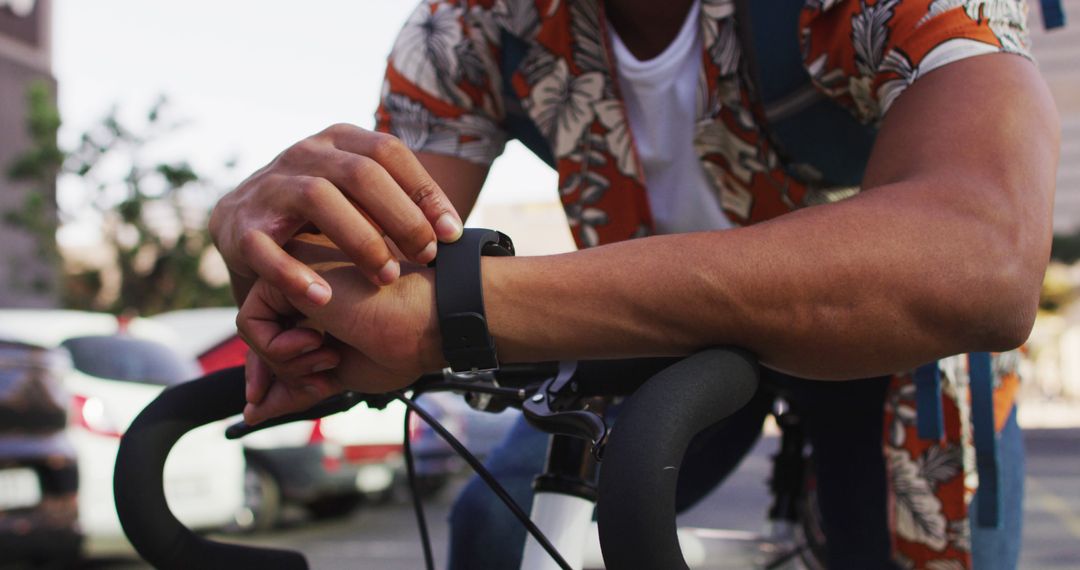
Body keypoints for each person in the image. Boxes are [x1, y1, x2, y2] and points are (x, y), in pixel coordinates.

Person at [209, 0, 1059, 568]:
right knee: (500, 529)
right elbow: (371, 274)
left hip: (881, 333)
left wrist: (458, 313)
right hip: (644, 337)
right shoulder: (469, 26)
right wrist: (283, 254)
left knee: (902, 545)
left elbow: (980, 257)